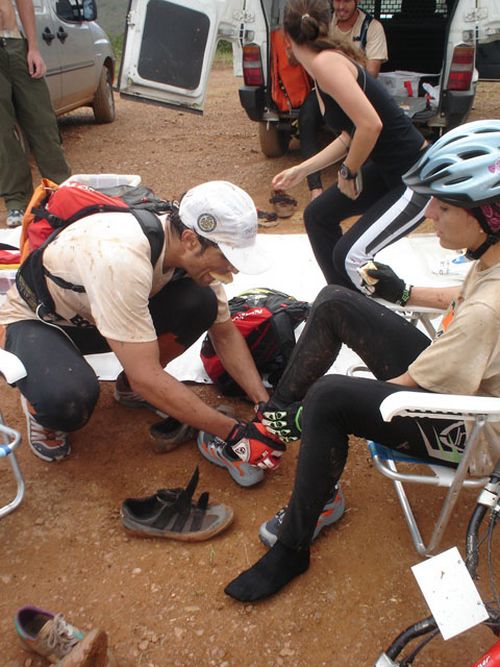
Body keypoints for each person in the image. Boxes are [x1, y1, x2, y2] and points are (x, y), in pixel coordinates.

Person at [223, 119, 500, 601]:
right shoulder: (491, 258)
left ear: (489, 216)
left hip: (469, 433)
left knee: (330, 397)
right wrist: (405, 291)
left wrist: (310, 418)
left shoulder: (486, 313)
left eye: (445, 203)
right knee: (333, 300)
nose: (429, 211)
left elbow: (405, 389)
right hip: (457, 376)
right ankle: (271, 426)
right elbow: (465, 294)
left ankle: (293, 548)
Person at [0, 180, 284, 469]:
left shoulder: (188, 253)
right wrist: (235, 433)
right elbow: (145, 375)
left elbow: (224, 334)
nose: (232, 269)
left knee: (201, 303)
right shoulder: (122, 258)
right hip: (42, 321)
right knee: (67, 400)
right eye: (226, 257)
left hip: (96, 313)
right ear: (190, 240)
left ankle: (128, 390)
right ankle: (41, 409)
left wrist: (263, 403)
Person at [273, 0, 427, 291]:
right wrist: (302, 170)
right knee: (317, 216)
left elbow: (370, 125)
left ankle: (367, 316)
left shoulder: (326, 64)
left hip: (416, 179)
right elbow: (349, 136)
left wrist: (349, 171)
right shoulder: (322, 68)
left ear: (286, 38)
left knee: (349, 255)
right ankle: (346, 308)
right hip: (388, 171)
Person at [300, 0, 388, 200]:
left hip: (357, 89)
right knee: (306, 118)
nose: (341, 6)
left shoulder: (372, 28)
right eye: (337, 0)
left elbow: (372, 71)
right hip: (326, 87)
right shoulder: (324, 25)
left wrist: (340, 73)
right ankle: (315, 187)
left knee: (357, 127)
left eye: (347, 1)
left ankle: (358, 180)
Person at [0, 0, 70, 228]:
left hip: (14, 42)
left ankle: (61, 191)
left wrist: (33, 48)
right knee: (3, 132)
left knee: (42, 122)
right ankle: (17, 201)